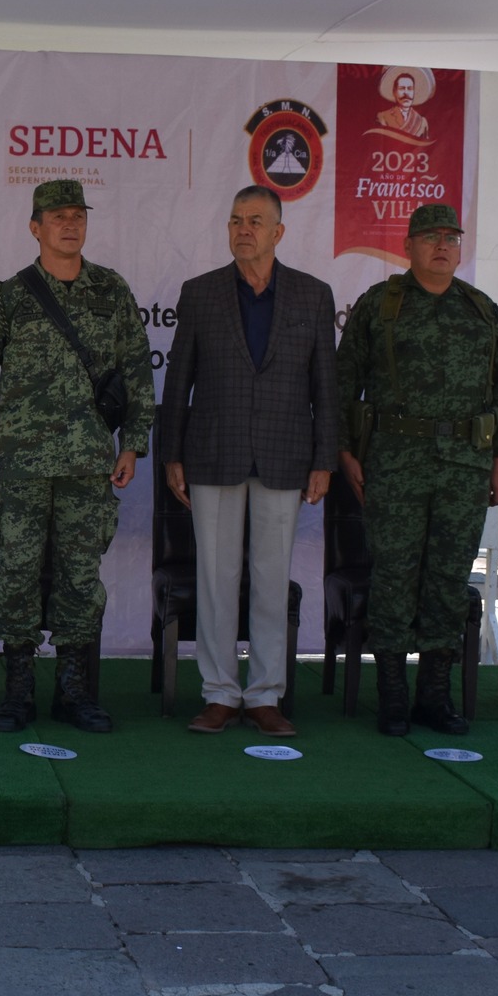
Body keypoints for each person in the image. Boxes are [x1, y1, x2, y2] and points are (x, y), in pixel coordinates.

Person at [0, 178, 155, 733]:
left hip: (89, 463)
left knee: (79, 575)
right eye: (57, 216)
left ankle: (74, 689)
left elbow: (139, 373)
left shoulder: (111, 292)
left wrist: (134, 443)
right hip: (20, 463)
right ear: (35, 227)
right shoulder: (8, 298)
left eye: (78, 215)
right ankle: (18, 688)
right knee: (16, 573)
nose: (70, 224)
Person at [337, 202, 498, 736]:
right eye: (430, 236)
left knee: (446, 577)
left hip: (465, 465)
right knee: (394, 574)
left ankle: (435, 695)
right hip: (395, 462)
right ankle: (393, 694)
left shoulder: (482, 310)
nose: (442, 245)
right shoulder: (381, 305)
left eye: (451, 236)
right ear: (409, 246)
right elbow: (344, 380)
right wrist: (345, 451)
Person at [160, 185, 337, 737]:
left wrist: (325, 457)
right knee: (216, 576)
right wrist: (171, 453)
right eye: (236, 220)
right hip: (213, 450)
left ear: (279, 232)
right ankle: (218, 693)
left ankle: (263, 695)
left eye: (256, 221)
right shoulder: (200, 293)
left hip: (287, 455)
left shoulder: (313, 295)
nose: (244, 229)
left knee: (269, 576)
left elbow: (325, 387)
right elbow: (178, 382)